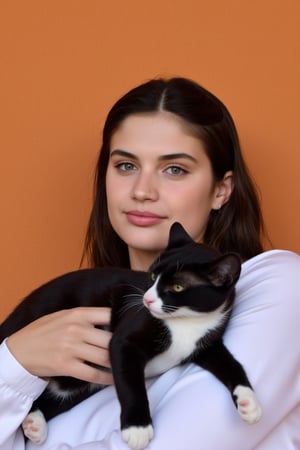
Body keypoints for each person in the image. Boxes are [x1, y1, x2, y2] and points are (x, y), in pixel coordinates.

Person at [1, 77, 300, 450]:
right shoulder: (67, 324)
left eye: (174, 169)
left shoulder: (279, 286)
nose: (142, 191)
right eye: (126, 165)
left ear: (221, 190)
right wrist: (14, 363)